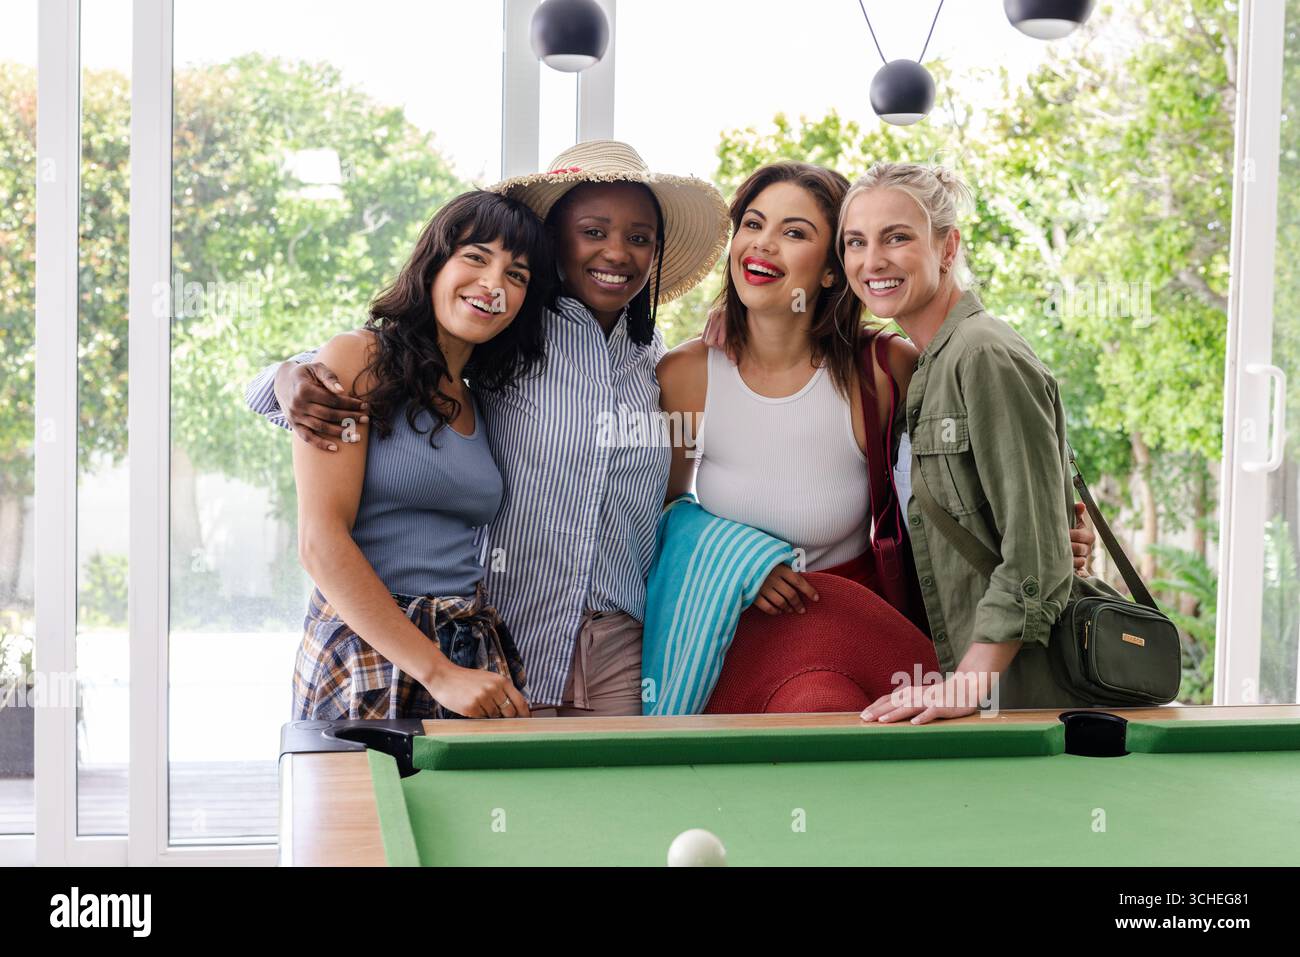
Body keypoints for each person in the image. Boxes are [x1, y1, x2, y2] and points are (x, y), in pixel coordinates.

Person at [247, 141, 730, 718]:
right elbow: (389, 356)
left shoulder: (654, 357)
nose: (617, 252)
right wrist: (286, 374)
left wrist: (746, 316)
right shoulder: (511, 339)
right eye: (594, 231)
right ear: (555, 243)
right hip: (505, 635)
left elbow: (677, 490)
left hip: (613, 644)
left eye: (639, 237)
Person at [841, 162, 1090, 723]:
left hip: (1025, 689)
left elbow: (1037, 552)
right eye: (856, 242)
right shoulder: (929, 364)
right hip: (977, 687)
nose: (871, 261)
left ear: (947, 246)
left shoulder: (982, 355)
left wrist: (966, 685)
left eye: (897, 237)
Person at [291, 190, 545, 721]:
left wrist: (458, 666)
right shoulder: (359, 359)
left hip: (468, 646)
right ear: (434, 262)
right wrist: (437, 671)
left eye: (517, 275)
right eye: (476, 257)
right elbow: (320, 541)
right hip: (370, 648)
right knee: (360, 806)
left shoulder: (481, 398)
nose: (494, 285)